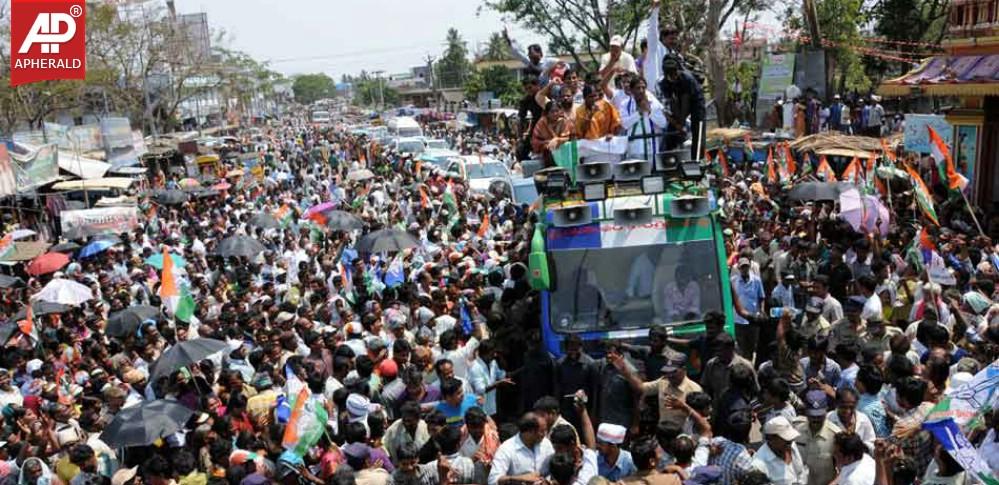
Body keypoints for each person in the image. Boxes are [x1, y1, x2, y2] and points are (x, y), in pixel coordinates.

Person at [659, 55, 706, 160]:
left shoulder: (687, 79)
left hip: (695, 103)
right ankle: (669, 157)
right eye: (670, 74)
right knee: (672, 129)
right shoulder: (664, 84)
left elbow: (686, 102)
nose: (673, 76)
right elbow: (672, 103)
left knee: (698, 128)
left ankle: (697, 160)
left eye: (675, 73)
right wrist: (677, 124)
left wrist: (682, 122)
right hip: (679, 104)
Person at [488, 413, 554, 485]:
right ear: (530, 432)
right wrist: (518, 479)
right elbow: (493, 481)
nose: (545, 434)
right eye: (542, 431)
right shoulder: (506, 449)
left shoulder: (546, 443)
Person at [794, 390, 842, 485]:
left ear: (826, 410)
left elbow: (844, 468)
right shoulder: (796, 431)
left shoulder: (836, 435)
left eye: (819, 416)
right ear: (806, 412)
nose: (816, 419)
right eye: (812, 415)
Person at [751, 416, 808, 485]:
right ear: (771, 438)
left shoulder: (790, 445)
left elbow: (801, 472)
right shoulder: (759, 465)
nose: (790, 441)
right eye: (786, 439)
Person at [731, 257, 766, 361]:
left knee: (751, 346)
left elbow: (761, 297)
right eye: (742, 267)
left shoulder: (756, 280)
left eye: (746, 267)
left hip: (753, 319)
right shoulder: (733, 281)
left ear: (749, 267)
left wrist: (761, 311)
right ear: (739, 268)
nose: (744, 269)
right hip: (738, 319)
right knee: (740, 347)